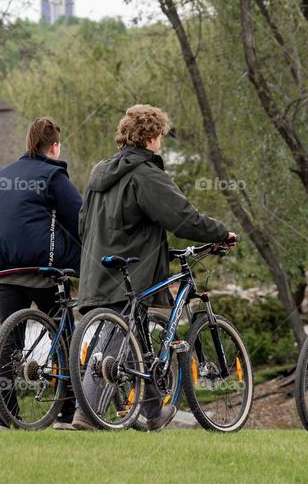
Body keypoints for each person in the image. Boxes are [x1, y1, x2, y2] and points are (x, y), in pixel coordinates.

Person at [76, 104, 236, 431]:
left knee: (134, 338)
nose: (161, 142)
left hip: (97, 268)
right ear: (151, 136)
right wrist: (221, 232)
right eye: (161, 135)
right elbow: (181, 217)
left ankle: (151, 413)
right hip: (130, 270)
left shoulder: (100, 173)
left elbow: (82, 223)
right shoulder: (146, 174)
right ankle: (86, 415)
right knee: (114, 340)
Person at [0, 117, 82, 431]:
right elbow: (80, 220)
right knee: (65, 338)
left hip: (3, 271)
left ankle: (4, 419)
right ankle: (65, 415)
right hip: (41, 269)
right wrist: (83, 260)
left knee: (9, 342)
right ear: (55, 147)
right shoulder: (54, 175)